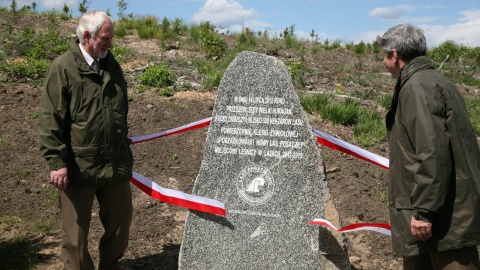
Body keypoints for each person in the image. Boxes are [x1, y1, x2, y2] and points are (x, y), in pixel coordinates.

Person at [377, 23, 480, 270]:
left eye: (383, 56)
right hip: (443, 217)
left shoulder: (417, 88)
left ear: (395, 55)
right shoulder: (434, 81)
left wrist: (423, 212)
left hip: (442, 223)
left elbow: (432, 152)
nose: (383, 63)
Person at [38, 10, 133, 270]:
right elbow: (50, 118)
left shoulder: (111, 65)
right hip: (78, 167)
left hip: (114, 163)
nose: (110, 43)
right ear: (88, 35)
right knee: (75, 239)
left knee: (122, 222)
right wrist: (56, 161)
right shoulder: (63, 68)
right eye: (106, 37)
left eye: (111, 37)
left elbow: (119, 109)